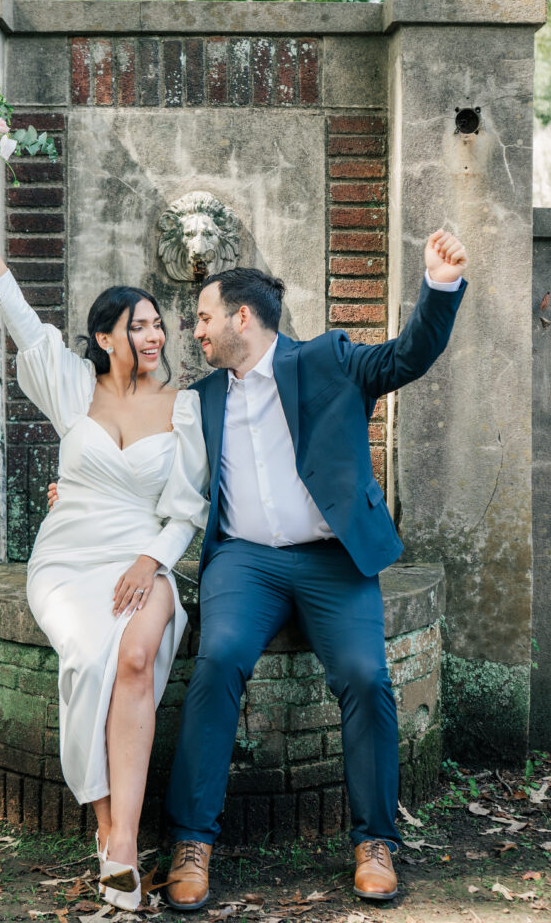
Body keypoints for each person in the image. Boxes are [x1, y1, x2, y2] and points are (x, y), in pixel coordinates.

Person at [161, 229, 468, 907]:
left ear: (242, 316)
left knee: (365, 675)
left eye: (205, 317)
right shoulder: (204, 397)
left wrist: (439, 285)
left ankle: (374, 840)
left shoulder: (327, 360)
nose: (196, 330)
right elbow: (159, 471)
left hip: (331, 559)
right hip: (244, 560)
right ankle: (191, 842)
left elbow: (407, 356)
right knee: (218, 661)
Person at [0, 180, 210, 911]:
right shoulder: (69, 385)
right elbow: (13, 306)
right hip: (67, 558)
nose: (155, 336)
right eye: (139, 326)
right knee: (89, 656)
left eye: (158, 325)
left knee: (137, 655)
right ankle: (115, 839)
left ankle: (120, 843)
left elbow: (187, 508)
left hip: (144, 554)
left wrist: (152, 561)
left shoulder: (184, 408)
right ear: (106, 337)